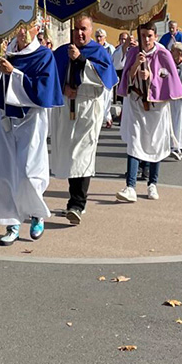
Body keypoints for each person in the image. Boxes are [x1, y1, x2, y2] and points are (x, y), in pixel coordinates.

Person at [0, 21, 62, 245]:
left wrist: (14, 73)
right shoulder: (6, 52)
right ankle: (12, 222)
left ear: (38, 29)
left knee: (29, 171)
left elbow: (42, 91)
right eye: (19, 27)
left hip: (31, 119)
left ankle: (36, 214)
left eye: (29, 27)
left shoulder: (44, 55)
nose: (23, 32)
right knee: (5, 172)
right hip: (6, 117)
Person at [50, 15, 118, 224]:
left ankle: (77, 204)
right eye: (77, 29)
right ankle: (74, 200)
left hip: (88, 109)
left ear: (91, 30)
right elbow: (51, 77)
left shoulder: (98, 52)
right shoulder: (62, 52)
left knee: (83, 154)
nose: (80, 33)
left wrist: (80, 60)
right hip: (66, 108)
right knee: (71, 154)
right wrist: (63, 87)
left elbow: (104, 80)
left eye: (84, 29)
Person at [116, 23, 182, 202]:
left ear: (155, 36)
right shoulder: (133, 53)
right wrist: (137, 65)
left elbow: (168, 78)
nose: (146, 39)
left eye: (150, 35)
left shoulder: (163, 54)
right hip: (137, 104)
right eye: (143, 35)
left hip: (157, 107)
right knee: (134, 142)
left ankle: (152, 184)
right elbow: (126, 78)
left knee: (156, 142)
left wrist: (152, 78)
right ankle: (130, 186)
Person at [94, 28, 115, 129]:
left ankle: (108, 118)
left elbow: (113, 63)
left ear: (105, 38)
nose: (98, 38)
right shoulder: (93, 47)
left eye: (100, 36)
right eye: (97, 36)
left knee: (107, 99)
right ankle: (100, 118)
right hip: (96, 77)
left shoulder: (110, 48)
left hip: (107, 76)